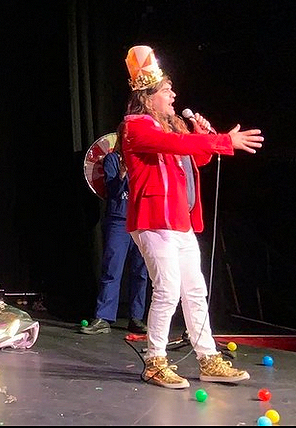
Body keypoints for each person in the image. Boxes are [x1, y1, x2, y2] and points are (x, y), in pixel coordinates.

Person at [119, 44, 262, 389]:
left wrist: (204, 135)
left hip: (178, 220)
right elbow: (177, 147)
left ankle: (208, 358)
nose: (173, 96)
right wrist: (222, 140)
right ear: (149, 97)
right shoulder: (136, 126)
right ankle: (155, 361)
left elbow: (195, 159)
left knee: (195, 290)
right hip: (153, 218)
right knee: (167, 288)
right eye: (166, 90)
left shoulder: (173, 128)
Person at [80, 149, 149, 335]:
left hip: (142, 221)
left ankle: (136, 317)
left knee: (141, 272)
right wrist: (122, 174)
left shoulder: (144, 158)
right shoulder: (113, 159)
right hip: (119, 220)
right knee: (112, 268)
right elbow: (112, 192)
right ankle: (104, 317)